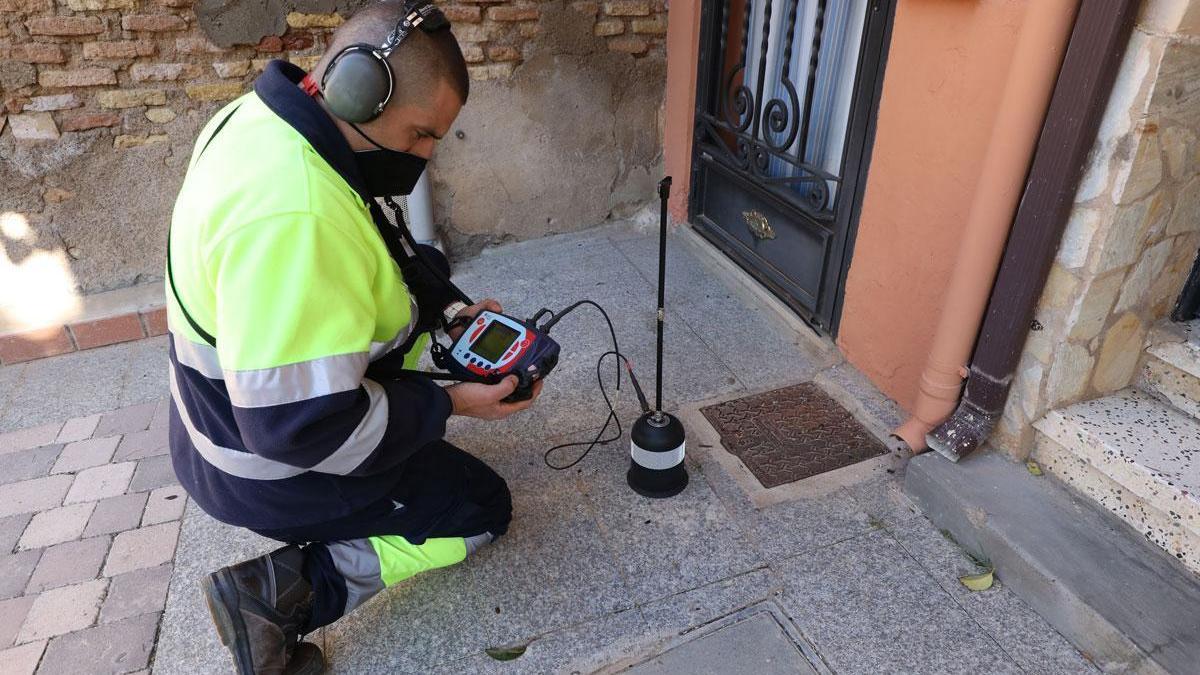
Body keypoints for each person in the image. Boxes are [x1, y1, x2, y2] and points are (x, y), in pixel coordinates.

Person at [164, 2, 542, 673]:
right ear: (358, 92)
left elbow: (363, 257)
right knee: (481, 506)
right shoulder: (295, 212)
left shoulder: (265, 123)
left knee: (425, 441)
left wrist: (444, 314)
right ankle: (278, 593)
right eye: (421, 135)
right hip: (267, 463)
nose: (425, 157)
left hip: (207, 421)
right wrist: (450, 404)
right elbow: (302, 428)